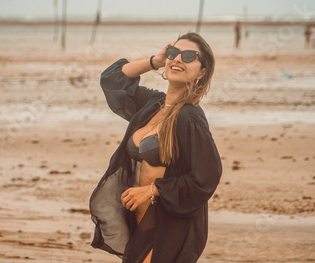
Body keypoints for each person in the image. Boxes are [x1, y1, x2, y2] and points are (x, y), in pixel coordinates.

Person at [89, 33, 222, 263]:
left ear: (201, 72)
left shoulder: (190, 117)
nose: (178, 59)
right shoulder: (152, 104)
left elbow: (207, 177)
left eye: (189, 56)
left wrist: (151, 190)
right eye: (174, 53)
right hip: (139, 223)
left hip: (171, 225)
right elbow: (111, 80)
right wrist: (156, 61)